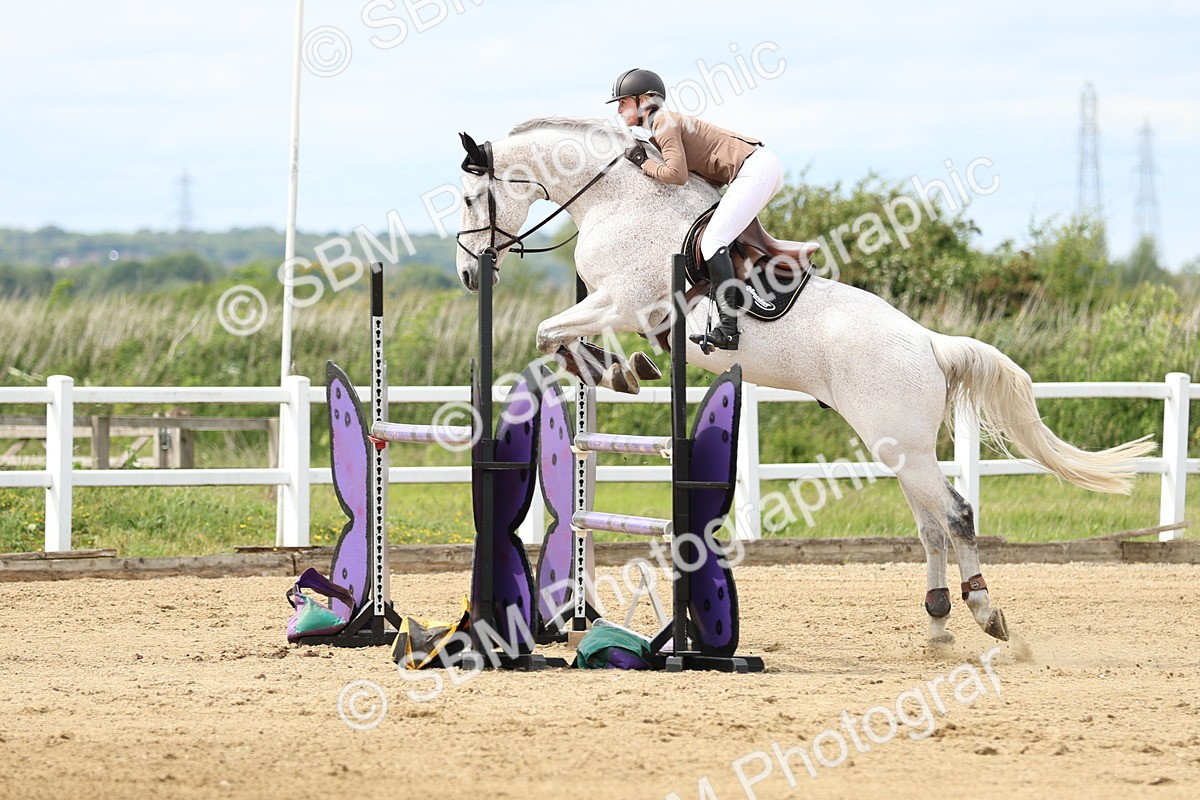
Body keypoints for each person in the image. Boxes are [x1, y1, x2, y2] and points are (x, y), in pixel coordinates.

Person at [608, 67, 786, 352]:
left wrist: (643, 163)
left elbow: (676, 176)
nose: (618, 109)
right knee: (715, 235)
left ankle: (728, 328)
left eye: (623, 101)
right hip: (755, 168)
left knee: (714, 239)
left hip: (755, 169)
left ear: (644, 100)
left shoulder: (662, 122)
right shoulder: (661, 125)